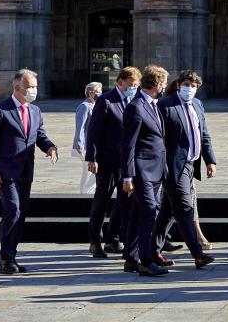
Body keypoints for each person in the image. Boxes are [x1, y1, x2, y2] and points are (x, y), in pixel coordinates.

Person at [0, 69, 58, 274]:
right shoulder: (0, 109)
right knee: (13, 209)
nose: (34, 90)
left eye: (35, 86)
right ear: (18, 88)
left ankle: (11, 256)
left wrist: (50, 147)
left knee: (20, 213)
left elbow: (40, 136)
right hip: (5, 170)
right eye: (30, 87)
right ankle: (5, 257)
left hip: (25, 170)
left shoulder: (35, 111)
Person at [154, 70, 216, 269]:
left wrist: (210, 160)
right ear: (179, 85)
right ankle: (198, 254)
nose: (190, 89)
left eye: (194, 86)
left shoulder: (197, 105)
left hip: (190, 165)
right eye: (187, 85)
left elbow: (204, 134)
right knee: (184, 208)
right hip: (172, 166)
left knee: (167, 211)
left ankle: (150, 250)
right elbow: (158, 138)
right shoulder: (165, 105)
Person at [85, 66, 140, 260]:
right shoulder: (106, 101)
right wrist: (91, 157)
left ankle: (120, 240)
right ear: (120, 82)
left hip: (127, 163)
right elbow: (94, 131)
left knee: (126, 202)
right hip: (108, 161)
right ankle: (95, 241)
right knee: (102, 201)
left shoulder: (135, 101)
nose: (133, 88)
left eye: (136, 85)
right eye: (131, 84)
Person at [120, 65, 171, 276]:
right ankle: (146, 260)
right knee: (151, 211)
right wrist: (127, 176)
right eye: (164, 83)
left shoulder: (153, 105)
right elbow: (128, 145)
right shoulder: (136, 107)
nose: (165, 87)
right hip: (142, 171)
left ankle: (131, 259)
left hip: (156, 169)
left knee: (139, 213)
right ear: (158, 84)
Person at [73, 82, 102, 195]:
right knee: (92, 171)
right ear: (90, 93)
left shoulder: (95, 105)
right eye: (97, 92)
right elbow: (80, 127)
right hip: (85, 146)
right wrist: (80, 145)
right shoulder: (85, 106)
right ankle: (86, 192)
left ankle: (85, 193)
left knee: (88, 172)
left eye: (100, 91)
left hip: (93, 145)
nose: (99, 94)